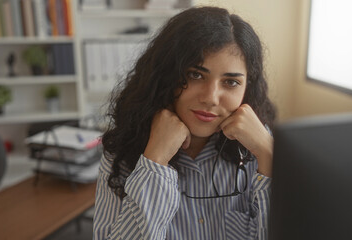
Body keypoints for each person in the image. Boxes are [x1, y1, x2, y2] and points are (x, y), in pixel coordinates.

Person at [93, 6, 276, 240]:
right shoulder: (121, 153)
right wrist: (155, 161)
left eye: (230, 82)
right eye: (196, 75)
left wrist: (269, 156)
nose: (211, 97)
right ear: (166, 76)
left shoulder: (258, 150)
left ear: (247, 88)